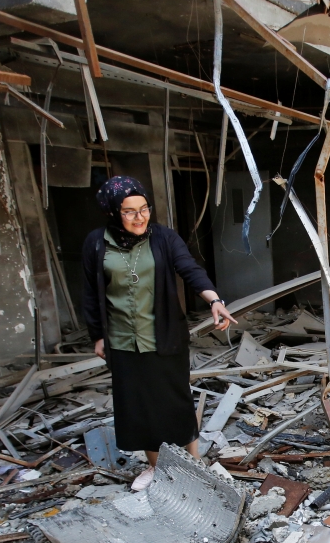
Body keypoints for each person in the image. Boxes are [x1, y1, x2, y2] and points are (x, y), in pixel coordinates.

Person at [83, 176, 236, 486]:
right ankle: (155, 467)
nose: (140, 217)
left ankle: (193, 460)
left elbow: (190, 269)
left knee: (176, 400)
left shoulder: (165, 238)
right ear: (113, 212)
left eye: (144, 209)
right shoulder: (96, 243)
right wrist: (98, 335)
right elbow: (89, 291)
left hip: (163, 334)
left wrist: (215, 300)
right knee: (139, 405)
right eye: (129, 211)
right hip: (123, 339)